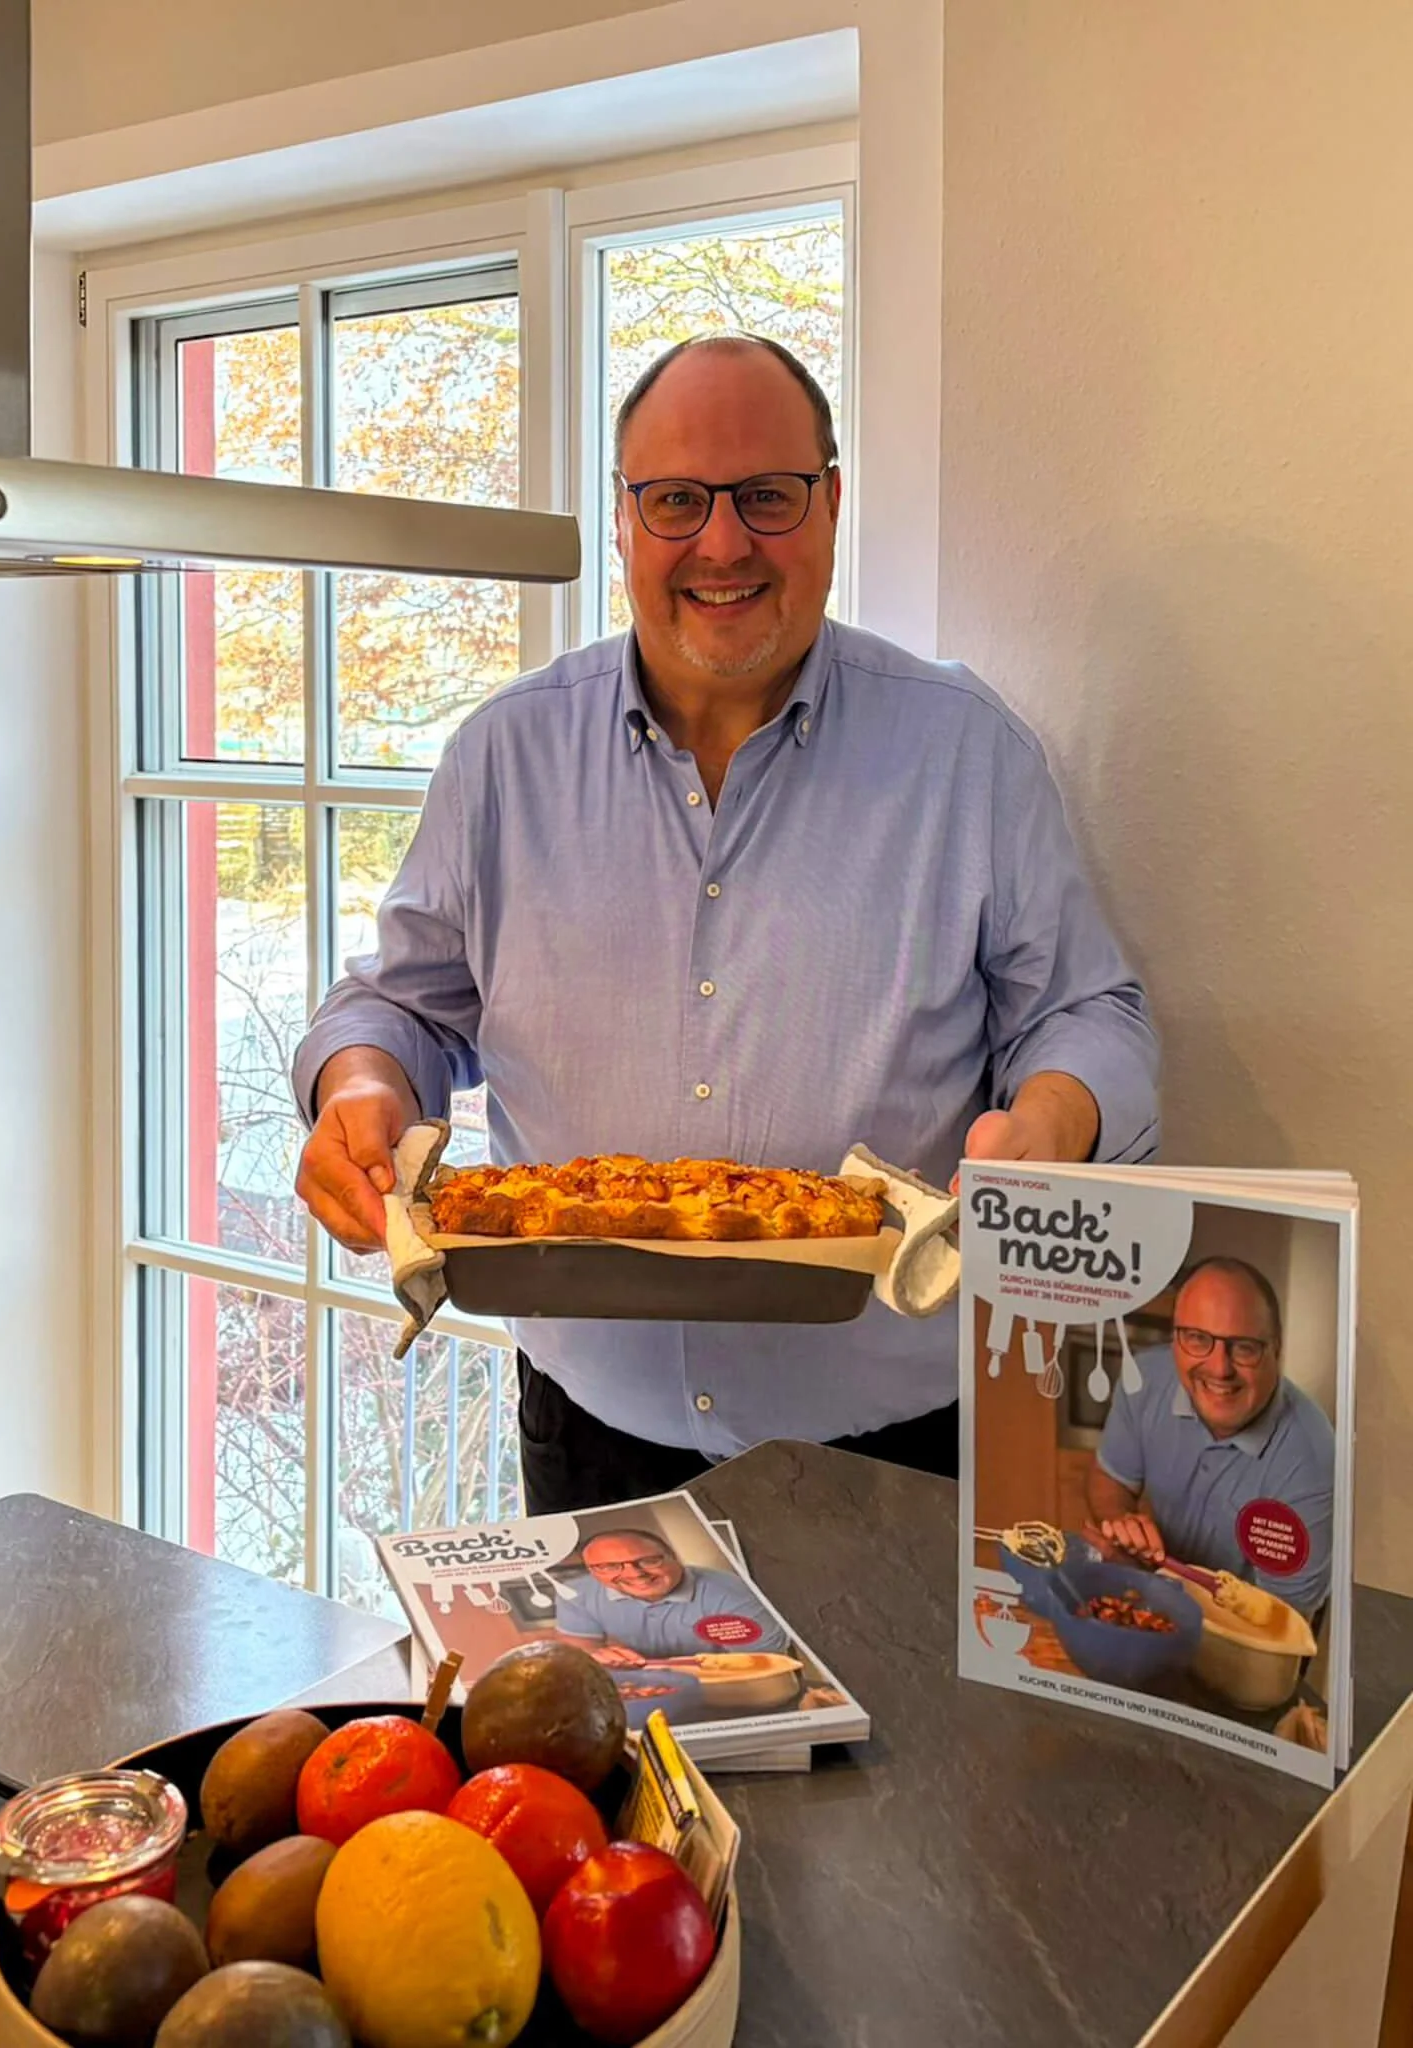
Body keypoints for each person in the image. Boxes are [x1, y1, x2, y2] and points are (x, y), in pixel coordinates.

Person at [292, 333, 1159, 1514]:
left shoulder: (966, 751)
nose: (720, 541)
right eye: (675, 501)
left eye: (766, 495)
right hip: (586, 1436)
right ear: (621, 520)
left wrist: (1054, 1118)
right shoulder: (504, 755)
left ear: (832, 503)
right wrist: (359, 1088)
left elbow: (1086, 1011)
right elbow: (397, 1004)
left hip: (899, 1450)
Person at [1087, 1258, 1335, 1619]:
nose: (1220, 1368)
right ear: (1175, 1338)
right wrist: (1122, 1526)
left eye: (1245, 1346)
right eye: (1197, 1338)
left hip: (1243, 1642)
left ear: (1276, 1350)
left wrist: (1152, 1586)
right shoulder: (1144, 1379)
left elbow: (1279, 1628)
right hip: (1156, 1605)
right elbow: (1109, 1479)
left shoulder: (1312, 1457)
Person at [553, 1529, 791, 1666]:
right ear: (592, 1571)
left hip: (727, 1686)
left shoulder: (732, 1592)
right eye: (609, 1566)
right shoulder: (575, 1592)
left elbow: (765, 1665)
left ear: (674, 1556)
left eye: (648, 1560)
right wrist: (596, 1656)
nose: (635, 1574)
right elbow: (578, 1653)